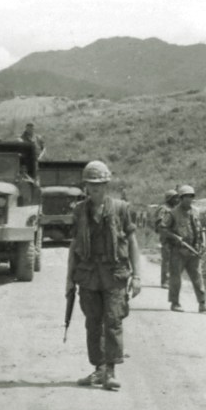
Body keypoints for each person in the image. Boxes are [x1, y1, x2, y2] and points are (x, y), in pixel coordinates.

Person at [66, 161, 141, 390]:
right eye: (91, 184)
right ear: (85, 186)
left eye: (99, 184)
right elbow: (74, 247)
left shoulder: (120, 208)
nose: (95, 189)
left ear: (106, 185)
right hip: (88, 276)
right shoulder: (79, 211)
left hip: (114, 275)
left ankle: (111, 371)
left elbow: (131, 242)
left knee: (113, 321)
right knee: (92, 323)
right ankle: (98, 369)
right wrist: (69, 279)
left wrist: (137, 276)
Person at [161, 185, 206, 313]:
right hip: (178, 251)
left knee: (198, 278)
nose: (189, 200)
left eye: (191, 197)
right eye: (186, 197)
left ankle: (202, 303)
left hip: (194, 251)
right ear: (181, 198)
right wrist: (175, 237)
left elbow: (201, 229)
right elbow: (162, 229)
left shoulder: (196, 211)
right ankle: (175, 303)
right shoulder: (172, 213)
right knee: (175, 279)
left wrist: (203, 244)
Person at [154, 189, 180, 288]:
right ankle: (165, 281)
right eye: (175, 198)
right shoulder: (164, 209)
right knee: (167, 259)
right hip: (167, 237)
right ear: (169, 199)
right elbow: (160, 224)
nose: (177, 199)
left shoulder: (175, 209)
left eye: (177, 197)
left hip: (175, 237)